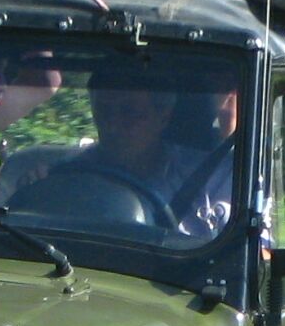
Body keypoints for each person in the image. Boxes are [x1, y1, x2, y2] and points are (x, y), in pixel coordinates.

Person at [60, 69, 234, 235]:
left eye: (129, 112)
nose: (112, 125)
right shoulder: (71, 175)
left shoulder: (215, 177)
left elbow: (256, 250)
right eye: (104, 111)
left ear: (163, 116)